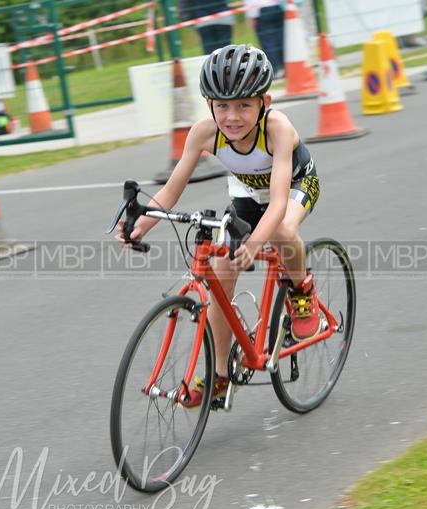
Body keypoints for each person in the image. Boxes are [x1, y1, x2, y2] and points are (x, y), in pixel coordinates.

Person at [116, 45, 322, 407]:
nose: (232, 117)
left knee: (282, 231)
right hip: (246, 191)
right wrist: (142, 225)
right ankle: (220, 376)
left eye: (244, 105)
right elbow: (172, 188)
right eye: (222, 106)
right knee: (222, 275)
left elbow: (276, 205)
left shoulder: (278, 129)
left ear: (264, 102)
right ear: (209, 104)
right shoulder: (203, 132)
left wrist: (256, 244)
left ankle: (302, 292)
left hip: (293, 185)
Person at [245, 0, 285, 77]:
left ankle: (277, 69)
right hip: (278, 7)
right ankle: (286, 66)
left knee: (268, 42)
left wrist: (252, 16)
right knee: (281, 38)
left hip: (262, 10)